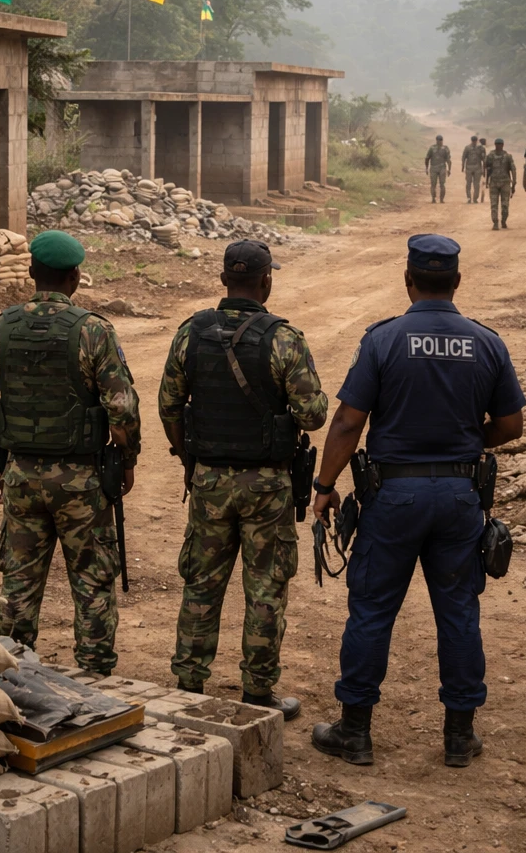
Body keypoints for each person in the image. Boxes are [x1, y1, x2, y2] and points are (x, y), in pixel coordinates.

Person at [309, 235, 526, 769]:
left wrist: (323, 485)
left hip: (394, 497)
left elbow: (348, 421)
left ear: (408, 281)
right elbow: (511, 425)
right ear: (457, 282)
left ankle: (355, 731)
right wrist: (468, 443)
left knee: (373, 610)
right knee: (458, 612)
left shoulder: (384, 339)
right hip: (458, 496)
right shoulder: (486, 342)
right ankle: (459, 736)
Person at [159, 239, 328, 719]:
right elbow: (313, 415)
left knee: (201, 583)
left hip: (209, 479)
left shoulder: (191, 332)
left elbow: (169, 406)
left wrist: (188, 456)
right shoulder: (283, 338)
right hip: (266, 485)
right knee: (266, 587)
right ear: (267, 280)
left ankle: (188, 685)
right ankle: (257, 692)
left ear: (223, 281)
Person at [0, 230, 141, 675]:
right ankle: (97, 677)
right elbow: (122, 409)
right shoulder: (93, 331)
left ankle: (11, 676)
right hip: (82, 480)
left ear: (30, 273)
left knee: (19, 581)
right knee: (92, 581)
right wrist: (127, 461)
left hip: (20, 476)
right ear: (75, 277)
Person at [484, 138, 516, 230]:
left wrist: (514, 182)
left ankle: (504, 221)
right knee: (494, 204)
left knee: (505, 204)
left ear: (503, 145)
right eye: (497, 144)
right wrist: (486, 179)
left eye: (500, 144)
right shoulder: (491, 155)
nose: (498, 145)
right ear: (495, 145)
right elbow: (486, 166)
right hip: (494, 182)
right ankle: (495, 222)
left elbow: (513, 169)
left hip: (505, 183)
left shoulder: (508, 156)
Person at [425, 134, 452, 204]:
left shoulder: (442, 148)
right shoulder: (435, 148)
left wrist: (449, 169)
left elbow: (448, 160)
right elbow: (427, 158)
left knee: (440, 184)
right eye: (439, 140)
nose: (439, 142)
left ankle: (439, 199)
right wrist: (426, 168)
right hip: (436, 168)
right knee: (436, 184)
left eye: (440, 140)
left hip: (440, 168)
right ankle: (436, 199)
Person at [462, 135, 486, 204]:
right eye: (474, 141)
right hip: (471, 168)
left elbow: (483, 159)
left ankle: (474, 198)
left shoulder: (480, 148)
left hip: (476, 168)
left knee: (475, 184)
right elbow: (464, 157)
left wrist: (484, 169)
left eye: (475, 141)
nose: (474, 142)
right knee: (470, 183)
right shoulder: (468, 148)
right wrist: (463, 166)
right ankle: (470, 198)